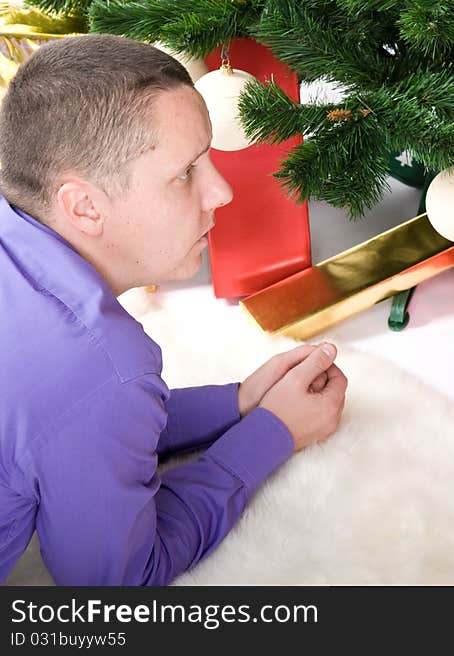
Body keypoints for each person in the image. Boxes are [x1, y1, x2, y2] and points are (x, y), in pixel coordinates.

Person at [0, 34, 347, 585]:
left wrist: (237, 403)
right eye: (185, 173)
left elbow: (55, 435)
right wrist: (273, 433)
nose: (222, 192)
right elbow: (113, 585)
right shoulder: (98, 369)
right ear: (83, 205)